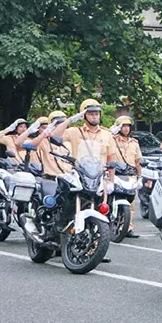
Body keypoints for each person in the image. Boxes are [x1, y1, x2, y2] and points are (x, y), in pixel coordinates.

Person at [51, 99, 116, 264]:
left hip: (98, 177)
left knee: (102, 212)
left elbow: (111, 158)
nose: (95, 116)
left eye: (97, 113)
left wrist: (111, 181)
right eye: (91, 113)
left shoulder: (107, 134)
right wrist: (71, 119)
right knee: (65, 203)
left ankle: (96, 249)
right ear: (84, 115)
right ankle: (56, 233)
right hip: (79, 174)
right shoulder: (75, 131)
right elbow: (55, 135)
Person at [110, 116, 143, 239]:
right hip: (116, 175)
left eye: (128, 126)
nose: (126, 128)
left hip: (130, 175)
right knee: (110, 201)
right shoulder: (112, 140)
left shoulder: (134, 143)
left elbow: (138, 162)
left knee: (131, 204)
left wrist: (140, 177)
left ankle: (128, 228)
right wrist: (113, 129)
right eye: (123, 126)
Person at [28, 111, 73, 178]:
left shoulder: (69, 141)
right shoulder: (43, 141)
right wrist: (44, 134)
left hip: (70, 178)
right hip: (51, 178)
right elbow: (30, 146)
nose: (62, 126)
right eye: (58, 124)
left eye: (63, 123)